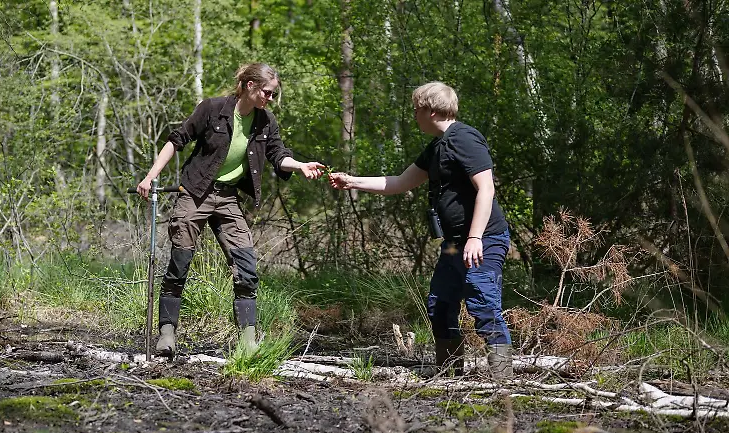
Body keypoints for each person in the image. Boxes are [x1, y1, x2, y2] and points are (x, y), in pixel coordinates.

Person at [137, 62, 325, 357]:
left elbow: (278, 155)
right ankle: (167, 335)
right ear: (250, 86)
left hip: (227, 199)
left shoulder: (266, 121)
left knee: (246, 267)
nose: (270, 99)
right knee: (180, 263)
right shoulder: (212, 109)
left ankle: (248, 345)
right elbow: (177, 140)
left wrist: (300, 166)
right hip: (195, 193)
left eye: (273, 95)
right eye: (268, 92)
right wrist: (151, 177)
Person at [329, 81, 513, 379]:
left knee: (483, 304)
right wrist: (351, 181)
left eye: (416, 110)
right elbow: (399, 183)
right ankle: (450, 375)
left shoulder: (464, 139)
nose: (414, 115)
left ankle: (502, 382)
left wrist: (476, 237)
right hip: (454, 243)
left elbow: (486, 188)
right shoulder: (437, 146)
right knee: (440, 304)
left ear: (431, 110)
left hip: (483, 240)